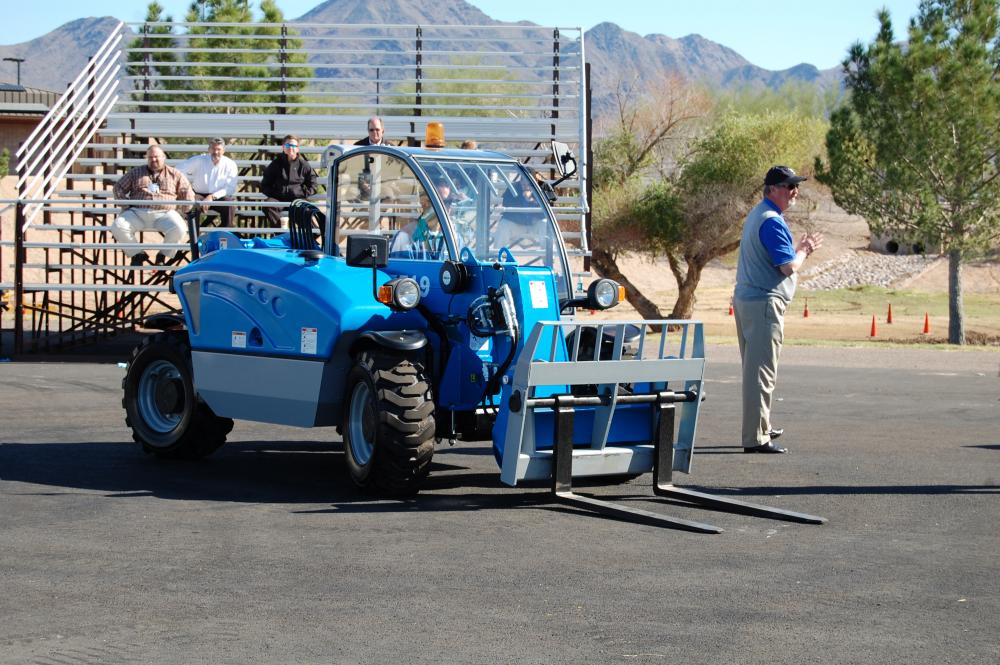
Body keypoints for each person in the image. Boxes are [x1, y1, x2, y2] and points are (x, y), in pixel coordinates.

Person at [733, 166, 824, 454]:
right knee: (762, 373)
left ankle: (761, 426)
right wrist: (805, 250)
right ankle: (756, 438)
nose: (794, 191)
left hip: (748, 299)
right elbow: (788, 266)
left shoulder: (759, 213)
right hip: (763, 303)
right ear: (772, 188)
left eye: (795, 185)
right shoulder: (771, 220)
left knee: (754, 371)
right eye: (788, 185)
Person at [110, 144, 193, 266]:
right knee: (118, 226)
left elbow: (187, 191)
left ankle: (163, 254)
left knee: (180, 228)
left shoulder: (175, 174)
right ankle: (137, 254)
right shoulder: (135, 172)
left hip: (165, 213)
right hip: (137, 212)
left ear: (164, 157)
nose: (154, 159)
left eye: (156, 157)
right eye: (150, 157)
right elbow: (118, 188)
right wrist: (125, 204)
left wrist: (186, 210)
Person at [260, 135, 317, 228]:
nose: (291, 148)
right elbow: (265, 185)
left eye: (293, 146)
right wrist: (275, 194)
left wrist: (303, 194)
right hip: (278, 199)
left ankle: (311, 236)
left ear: (298, 149)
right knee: (267, 205)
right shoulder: (275, 164)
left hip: (297, 199)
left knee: (304, 209)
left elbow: (313, 185)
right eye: (288, 146)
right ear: (283, 148)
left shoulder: (304, 165)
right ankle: (281, 234)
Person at [178, 138, 238, 227]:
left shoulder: (230, 164)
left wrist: (212, 197)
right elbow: (178, 171)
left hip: (219, 197)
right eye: (213, 149)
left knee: (229, 205)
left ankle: (224, 235)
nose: (216, 152)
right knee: (190, 207)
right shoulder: (198, 160)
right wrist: (190, 192)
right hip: (197, 196)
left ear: (223, 151)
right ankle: (194, 238)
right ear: (209, 149)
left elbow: (230, 188)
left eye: (219, 149)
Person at [389, 184, 446, 260]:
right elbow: (400, 270)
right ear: (424, 203)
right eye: (440, 201)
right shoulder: (406, 236)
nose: (446, 207)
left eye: (449, 202)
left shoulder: (454, 237)